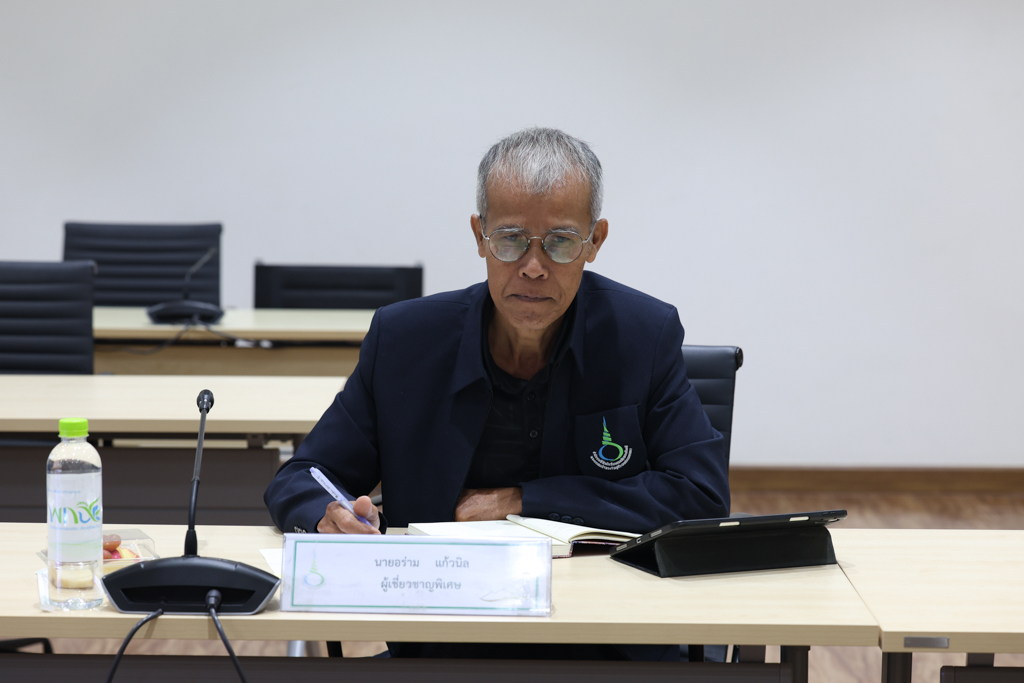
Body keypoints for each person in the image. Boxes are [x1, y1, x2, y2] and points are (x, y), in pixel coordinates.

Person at [265, 127, 730, 660]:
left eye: (560, 241)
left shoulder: (642, 335)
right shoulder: (406, 342)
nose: (533, 266)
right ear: (479, 235)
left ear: (595, 241)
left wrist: (523, 501)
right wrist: (329, 515)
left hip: (609, 645)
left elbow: (700, 495)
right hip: (447, 643)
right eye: (510, 239)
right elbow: (303, 476)